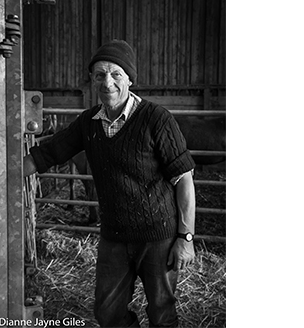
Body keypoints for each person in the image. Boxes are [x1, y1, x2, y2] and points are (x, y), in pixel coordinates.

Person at [23, 39, 196, 327]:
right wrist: (1, 176)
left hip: (158, 237)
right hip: (114, 236)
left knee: (162, 312)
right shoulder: (89, 122)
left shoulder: (156, 119)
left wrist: (185, 238)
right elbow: (47, 154)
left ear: (130, 79)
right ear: (92, 80)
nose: (108, 82)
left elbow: (184, 181)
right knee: (107, 313)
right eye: (100, 74)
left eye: (116, 74)